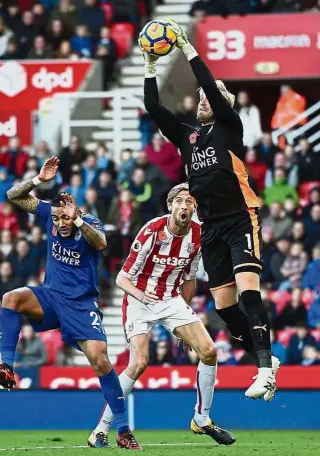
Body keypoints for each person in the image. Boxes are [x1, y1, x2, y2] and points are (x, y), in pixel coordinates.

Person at [141, 19, 279, 401]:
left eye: (211, 96)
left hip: (241, 218)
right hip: (211, 227)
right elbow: (153, 105)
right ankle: (265, 358)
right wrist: (150, 64)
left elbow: (210, 88)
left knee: (249, 293)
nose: (204, 99)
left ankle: (265, 370)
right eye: (202, 97)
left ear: (223, 104)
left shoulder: (230, 127)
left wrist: (187, 48)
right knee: (224, 306)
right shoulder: (187, 138)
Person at [0, 157, 140, 449]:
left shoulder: (89, 222)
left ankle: (123, 430)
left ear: (76, 212)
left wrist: (77, 218)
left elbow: (101, 243)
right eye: (56, 218)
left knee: (101, 361)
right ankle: (6, 367)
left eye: (65, 217)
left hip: (82, 305)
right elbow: (12, 196)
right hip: (51, 298)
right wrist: (38, 180)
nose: (60, 223)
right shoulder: (49, 213)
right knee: (11, 298)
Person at [89, 183, 235, 448]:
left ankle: (202, 419)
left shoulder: (199, 234)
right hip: (138, 298)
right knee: (139, 363)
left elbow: (189, 279)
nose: (185, 206)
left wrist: (185, 322)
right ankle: (101, 429)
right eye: (179, 201)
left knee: (209, 351)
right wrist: (143, 297)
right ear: (170, 206)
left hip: (170, 299)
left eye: (190, 202)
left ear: (194, 208)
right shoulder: (151, 231)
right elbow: (123, 277)